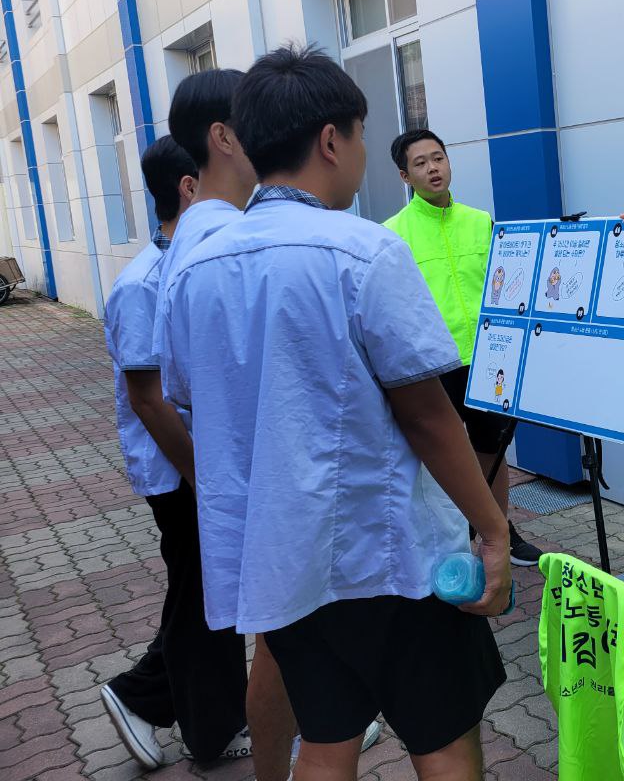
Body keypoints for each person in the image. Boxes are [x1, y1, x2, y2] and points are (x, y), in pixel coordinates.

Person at [160, 46, 511, 781]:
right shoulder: (366, 250)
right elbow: (426, 416)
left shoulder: (192, 269)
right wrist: (492, 527)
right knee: (441, 738)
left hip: (280, 559)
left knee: (324, 740)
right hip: (390, 553)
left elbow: (191, 396)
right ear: (331, 140)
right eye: (358, 135)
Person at [154, 70, 377, 780]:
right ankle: (294, 758)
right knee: (285, 646)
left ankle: (286, 761)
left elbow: (184, 382)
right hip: (282, 485)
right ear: (225, 137)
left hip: (260, 482)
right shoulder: (223, 238)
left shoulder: (204, 236)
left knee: (277, 645)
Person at [98, 138, 250, 769]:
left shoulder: (195, 263)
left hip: (206, 465)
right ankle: (181, 715)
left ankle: (164, 703)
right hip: (178, 468)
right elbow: (148, 399)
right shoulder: (141, 283)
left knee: (204, 593)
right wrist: (202, 475)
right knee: (204, 596)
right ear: (189, 188)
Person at [384, 128, 544, 566]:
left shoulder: (481, 221)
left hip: (488, 357)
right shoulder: (392, 235)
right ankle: (449, 541)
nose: (433, 168)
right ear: (404, 175)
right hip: (431, 365)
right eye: (421, 163)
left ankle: (501, 533)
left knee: (492, 450)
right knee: (438, 455)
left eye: (438, 157)